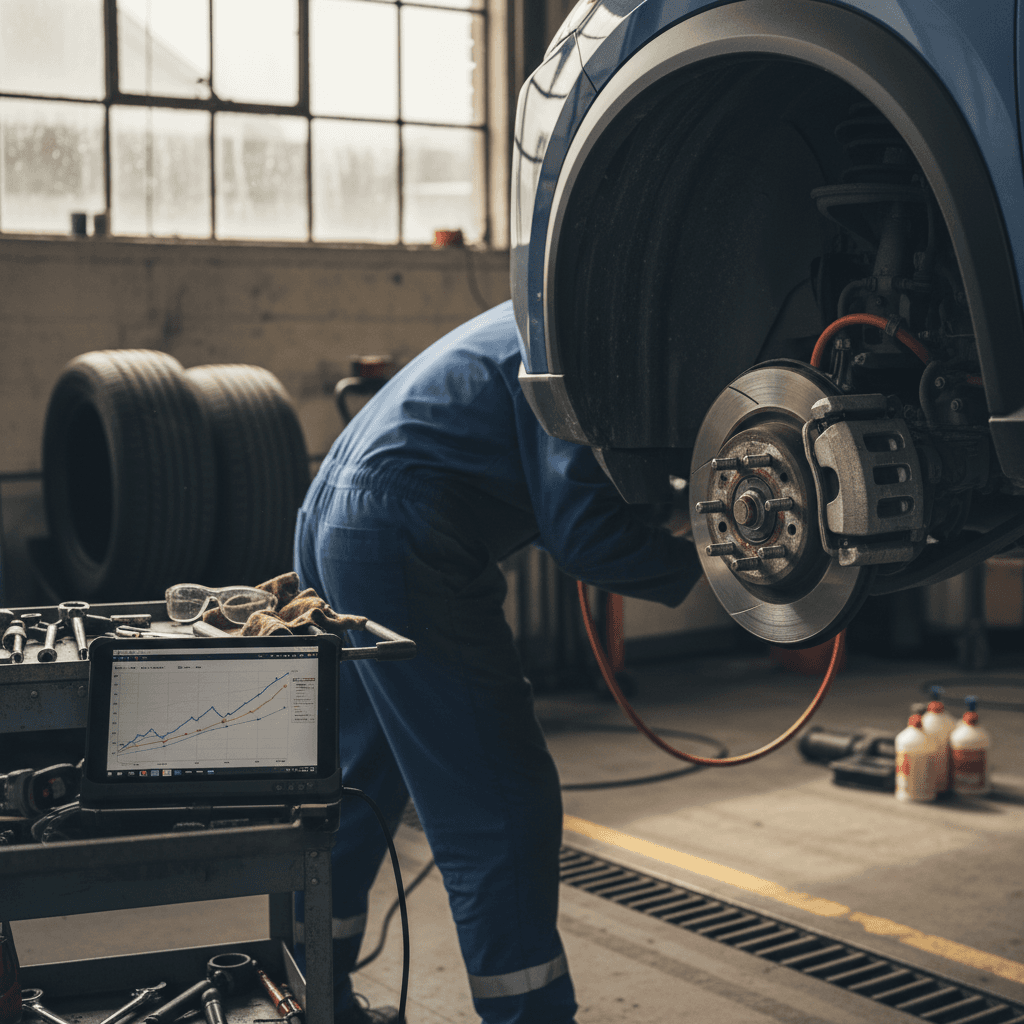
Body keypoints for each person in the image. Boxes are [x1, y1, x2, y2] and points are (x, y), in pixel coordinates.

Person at [293, 300, 702, 1024]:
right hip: (400, 533)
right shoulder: (599, 328)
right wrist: (713, 565)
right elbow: (583, 536)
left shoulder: (553, 300)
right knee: (500, 803)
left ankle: (310, 995)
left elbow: (559, 492)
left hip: (330, 509)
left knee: (357, 780)